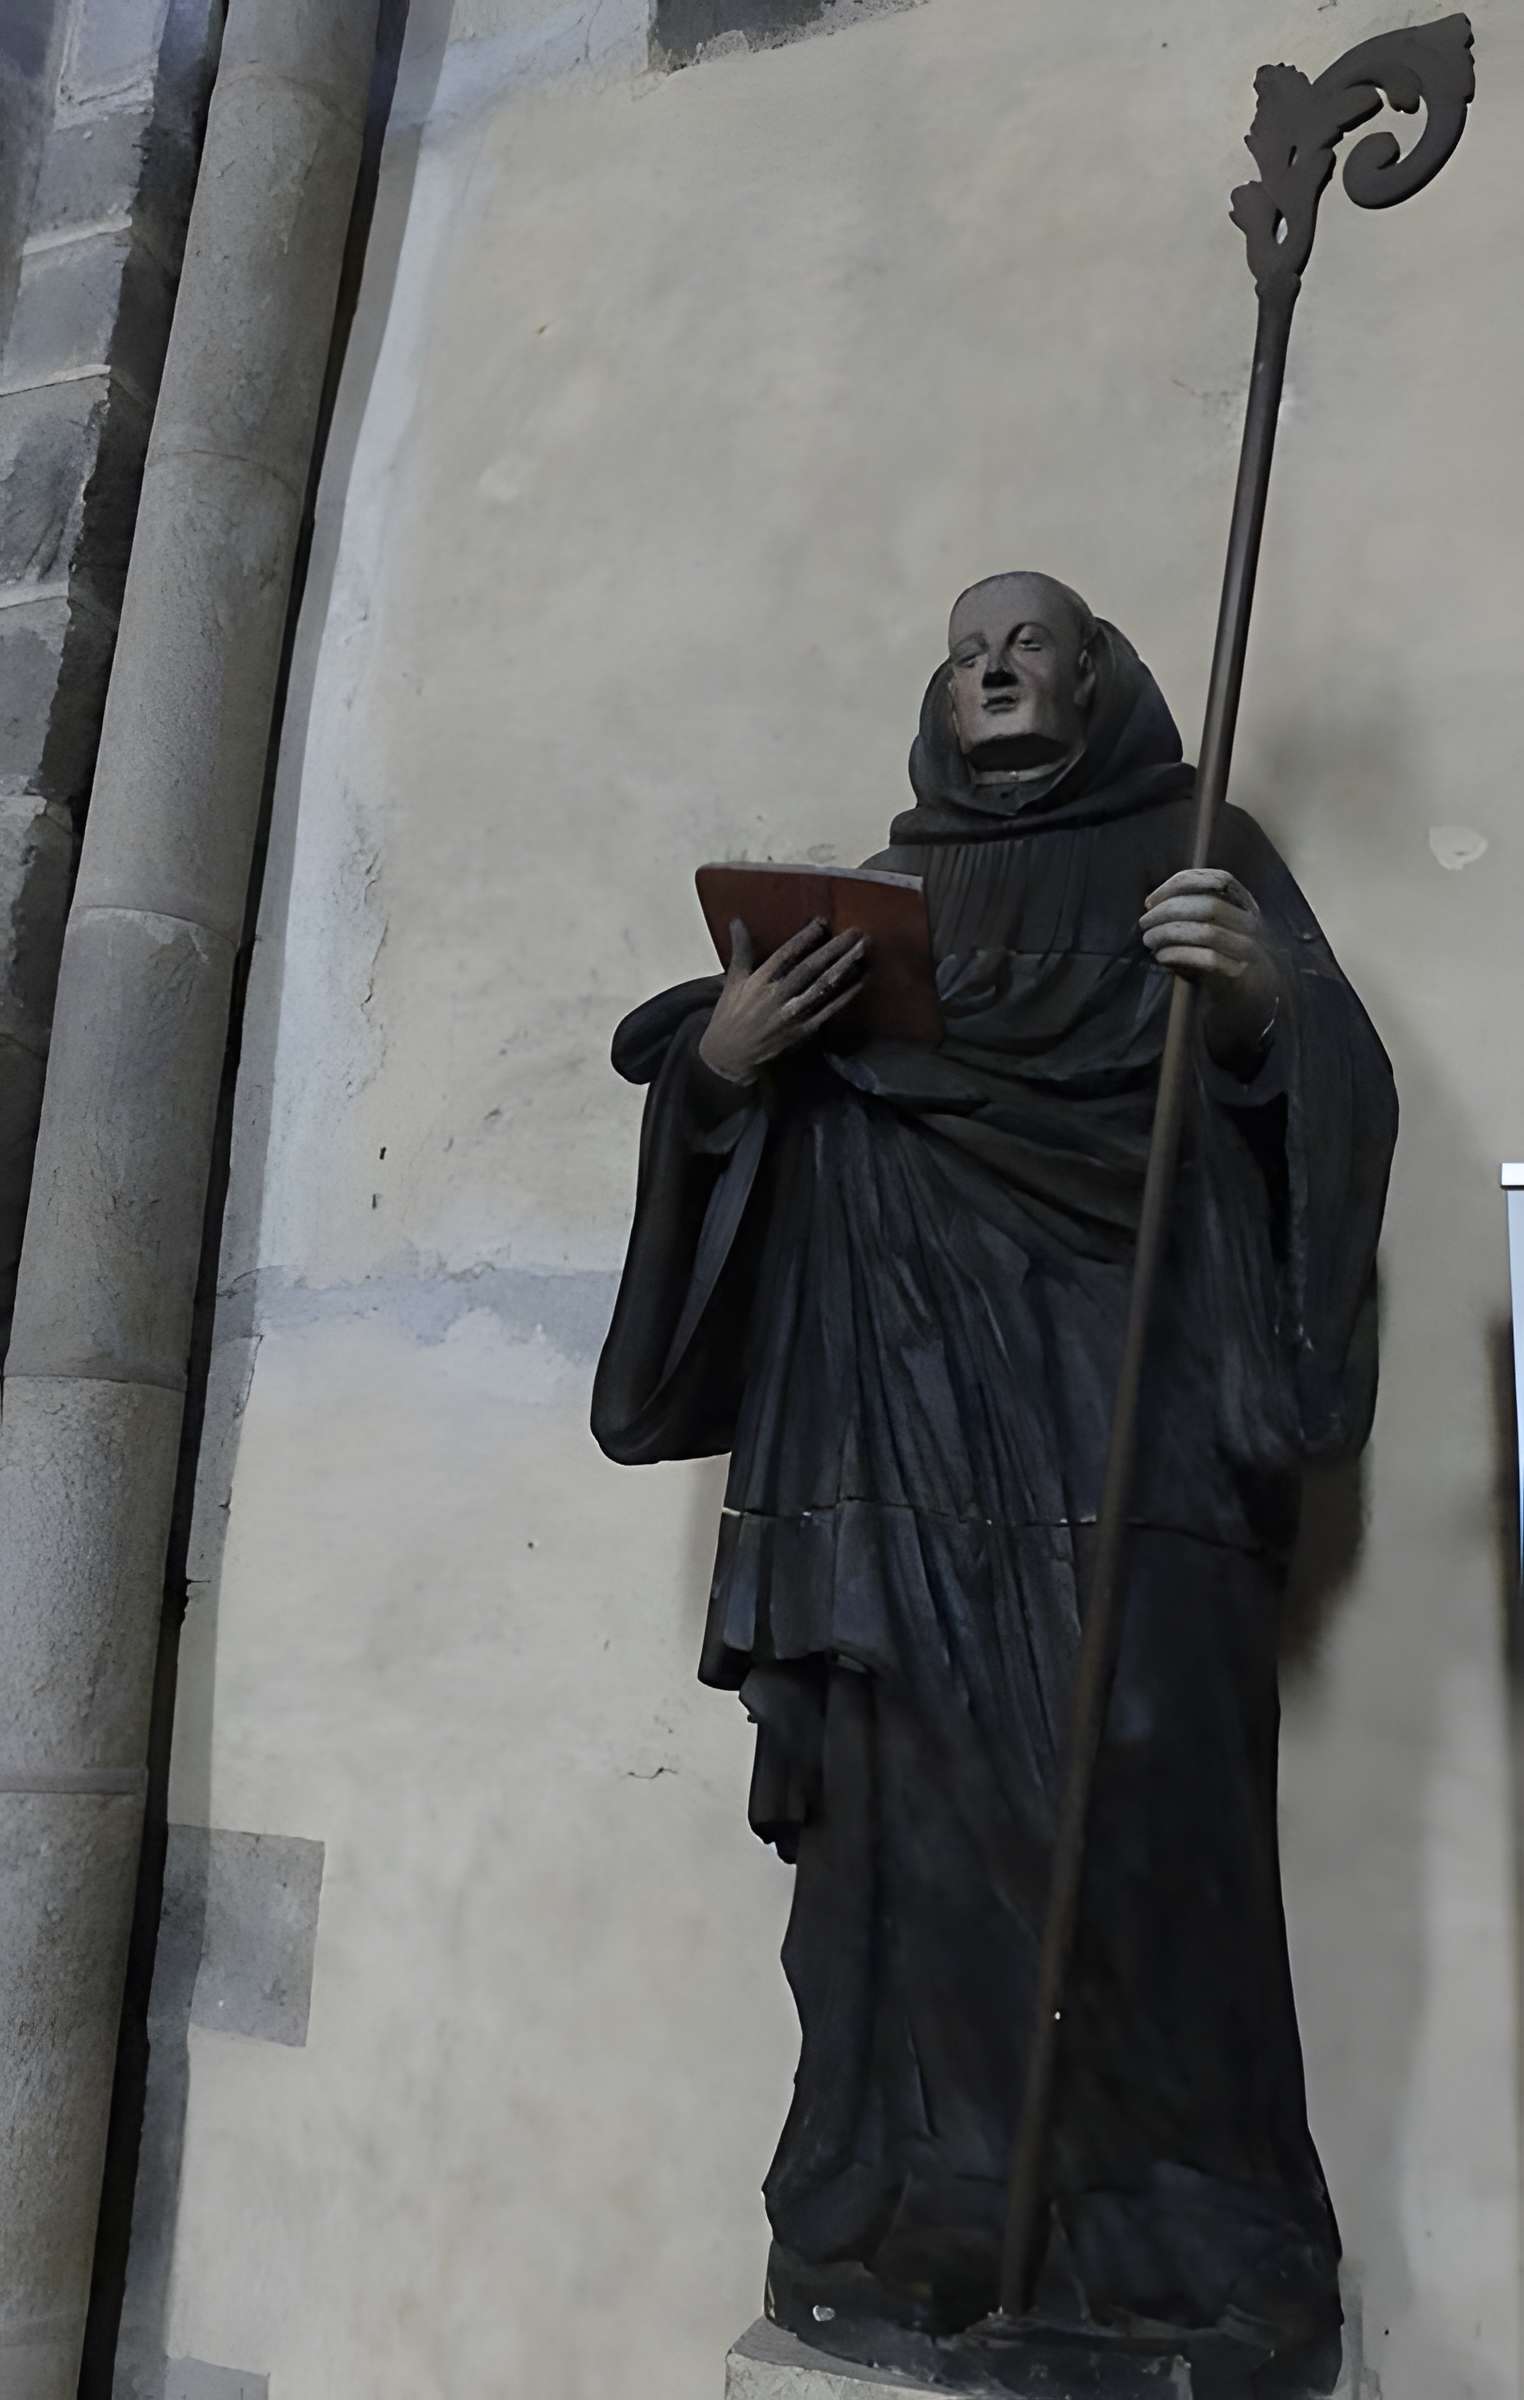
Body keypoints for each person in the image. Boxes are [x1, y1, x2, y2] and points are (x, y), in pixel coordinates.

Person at [592, 573, 1396, 2393]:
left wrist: (1265, 1008)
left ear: (1100, 679)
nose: (998, 666)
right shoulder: (884, 907)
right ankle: (909, 2227)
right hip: (905, 1484)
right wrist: (722, 1066)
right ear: (937, 699)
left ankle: (1189, 2258)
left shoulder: (1202, 852)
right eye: (968, 651)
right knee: (913, 1856)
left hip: (1139, 1452)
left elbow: (1333, 1099)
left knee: (1151, 1819)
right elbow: (744, 1135)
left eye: (1033, 640)